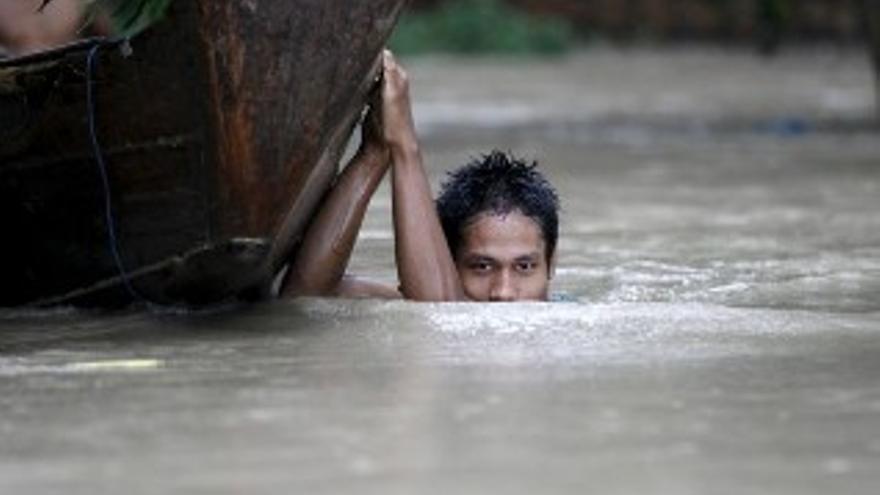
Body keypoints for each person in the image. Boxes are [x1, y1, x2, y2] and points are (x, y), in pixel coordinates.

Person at [280, 50, 559, 302]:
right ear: (446, 261)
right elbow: (305, 298)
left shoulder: (569, 326)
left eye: (524, 267)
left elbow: (438, 312)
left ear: (551, 264)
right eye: (482, 267)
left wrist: (404, 145)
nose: (503, 293)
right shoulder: (421, 295)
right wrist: (374, 154)